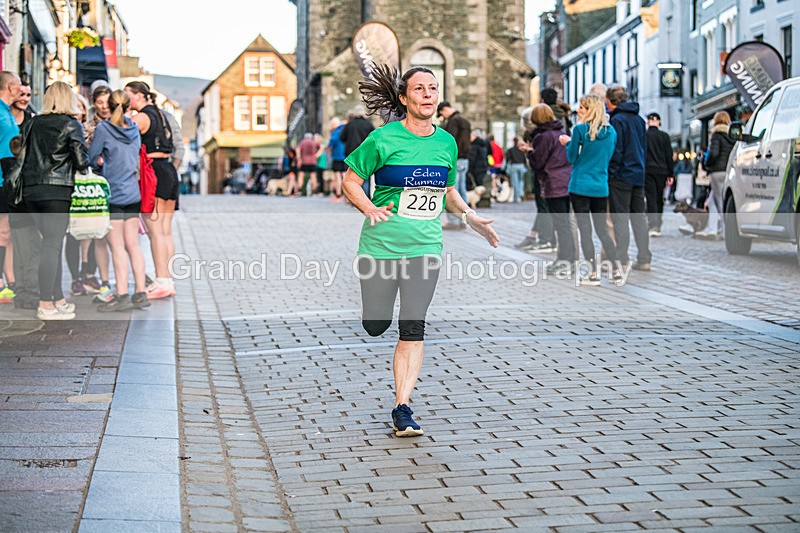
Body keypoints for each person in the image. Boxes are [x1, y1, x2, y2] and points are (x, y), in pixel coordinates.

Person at [342, 65, 498, 437]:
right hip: (380, 246)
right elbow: (350, 181)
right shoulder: (382, 139)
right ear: (404, 97)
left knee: (412, 327)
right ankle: (374, 314)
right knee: (376, 325)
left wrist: (469, 216)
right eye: (419, 89)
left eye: (433, 88)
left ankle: (403, 407)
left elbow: (446, 192)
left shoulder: (446, 142)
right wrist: (369, 208)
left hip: (425, 248)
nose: (428, 94)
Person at [18, 81, 88, 320]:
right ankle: (45, 304)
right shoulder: (71, 124)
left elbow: (21, 154)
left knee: (50, 245)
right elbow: (81, 161)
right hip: (57, 191)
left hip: (31, 191)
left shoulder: (32, 122)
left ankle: (57, 298)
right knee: (51, 246)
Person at [88, 90, 150, 311]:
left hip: (113, 193)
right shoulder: (134, 129)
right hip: (133, 193)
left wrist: (102, 164)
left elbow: (91, 158)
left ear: (110, 105)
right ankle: (140, 292)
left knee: (117, 247)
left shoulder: (104, 129)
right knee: (133, 244)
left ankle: (122, 294)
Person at [560, 94, 622, 285]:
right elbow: (608, 157)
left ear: (590, 110)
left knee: (585, 231)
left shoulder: (579, 130)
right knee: (602, 229)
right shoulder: (611, 132)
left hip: (580, 185)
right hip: (600, 186)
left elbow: (572, 159)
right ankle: (616, 268)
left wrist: (568, 143)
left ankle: (593, 273)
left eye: (582, 107)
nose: (578, 110)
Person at [125, 81, 178, 299]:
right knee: (165, 230)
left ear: (137, 96)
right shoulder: (162, 115)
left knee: (155, 230)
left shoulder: (141, 118)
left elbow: (122, 135)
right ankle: (167, 278)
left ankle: (162, 280)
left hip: (153, 172)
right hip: (168, 170)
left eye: (127, 95)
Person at [518, 104, 575, 274]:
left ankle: (565, 260)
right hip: (567, 180)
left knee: (561, 224)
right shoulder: (561, 133)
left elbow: (539, 162)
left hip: (553, 182)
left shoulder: (543, 136)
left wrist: (529, 153)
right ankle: (567, 258)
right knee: (565, 223)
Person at [606, 85, 651, 271]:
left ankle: (621, 258)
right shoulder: (639, 120)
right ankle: (644, 257)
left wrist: (611, 173)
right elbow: (643, 147)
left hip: (621, 176)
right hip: (638, 175)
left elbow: (617, 150)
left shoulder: (617, 121)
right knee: (639, 217)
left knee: (620, 218)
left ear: (611, 101)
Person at [696, 111, 734, 240]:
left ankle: (726, 231)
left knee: (720, 201)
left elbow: (714, 154)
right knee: (712, 199)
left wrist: (706, 163)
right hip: (729, 170)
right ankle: (712, 228)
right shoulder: (732, 135)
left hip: (717, 171)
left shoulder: (716, 135)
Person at [0, 71, 20, 305]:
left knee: (6, 233)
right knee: (4, 232)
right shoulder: (3, 116)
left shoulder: (7, 113)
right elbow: (7, 155)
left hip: (5, 180)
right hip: (3, 180)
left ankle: (10, 279)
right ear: (11, 87)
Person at [436, 101, 471, 228]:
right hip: (465, 159)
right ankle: (465, 220)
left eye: (442, 114)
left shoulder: (453, 121)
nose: (443, 117)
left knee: (450, 190)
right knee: (462, 191)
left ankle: (453, 221)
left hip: (455, 159)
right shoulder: (464, 120)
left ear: (444, 109)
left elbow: (449, 140)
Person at [644, 112, 674, 237]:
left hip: (648, 170)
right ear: (659, 122)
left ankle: (653, 224)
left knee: (651, 197)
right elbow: (669, 156)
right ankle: (658, 223)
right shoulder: (664, 136)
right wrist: (671, 174)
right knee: (659, 198)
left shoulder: (644, 136)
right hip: (662, 171)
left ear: (648, 122)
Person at [340, 105, 375, 198]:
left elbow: (342, 137)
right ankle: (366, 197)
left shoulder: (350, 124)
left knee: (351, 177)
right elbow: (374, 139)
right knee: (365, 177)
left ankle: (354, 198)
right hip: (366, 154)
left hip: (351, 153)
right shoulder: (368, 125)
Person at [327, 117, 346, 200]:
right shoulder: (345, 129)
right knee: (345, 175)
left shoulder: (335, 132)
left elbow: (330, 143)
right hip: (346, 155)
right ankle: (347, 196)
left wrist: (329, 150)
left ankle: (338, 194)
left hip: (337, 156)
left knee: (338, 175)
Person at [504, 137, 528, 204]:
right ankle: (521, 193)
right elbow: (524, 159)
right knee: (521, 181)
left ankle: (516, 197)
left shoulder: (511, 150)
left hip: (514, 165)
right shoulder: (521, 150)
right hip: (521, 166)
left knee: (515, 182)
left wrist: (506, 167)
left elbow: (507, 159)